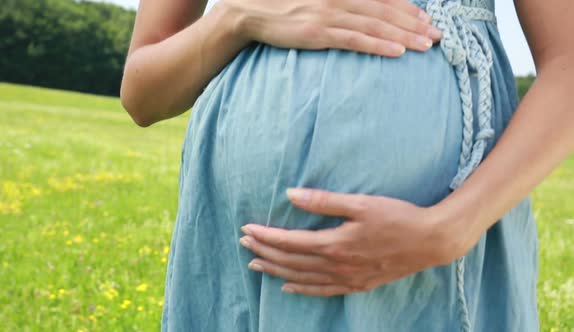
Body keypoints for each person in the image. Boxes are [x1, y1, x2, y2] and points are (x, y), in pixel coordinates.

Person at [120, 0, 574, 331]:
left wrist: (453, 226)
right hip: (232, 249)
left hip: (426, 245)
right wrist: (236, 16)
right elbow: (143, 95)